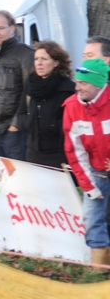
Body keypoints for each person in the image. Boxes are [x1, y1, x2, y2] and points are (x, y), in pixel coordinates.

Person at [63, 58, 110, 267]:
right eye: (77, 82)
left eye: (83, 83)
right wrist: (88, 185)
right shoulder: (72, 107)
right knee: (91, 220)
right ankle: (99, 271)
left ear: (98, 84)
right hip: (97, 173)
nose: (77, 87)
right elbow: (74, 151)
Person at [0, 10, 34, 160]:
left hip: (14, 134)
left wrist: (15, 126)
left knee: (19, 179)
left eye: (1, 28)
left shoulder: (25, 54)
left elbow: (30, 93)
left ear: (12, 28)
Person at [25, 41, 75, 168]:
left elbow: (71, 123)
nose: (39, 63)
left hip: (57, 153)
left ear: (56, 62)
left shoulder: (68, 89)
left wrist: (51, 125)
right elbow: (23, 111)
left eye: (44, 59)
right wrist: (27, 124)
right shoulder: (31, 86)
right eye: (36, 59)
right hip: (34, 151)